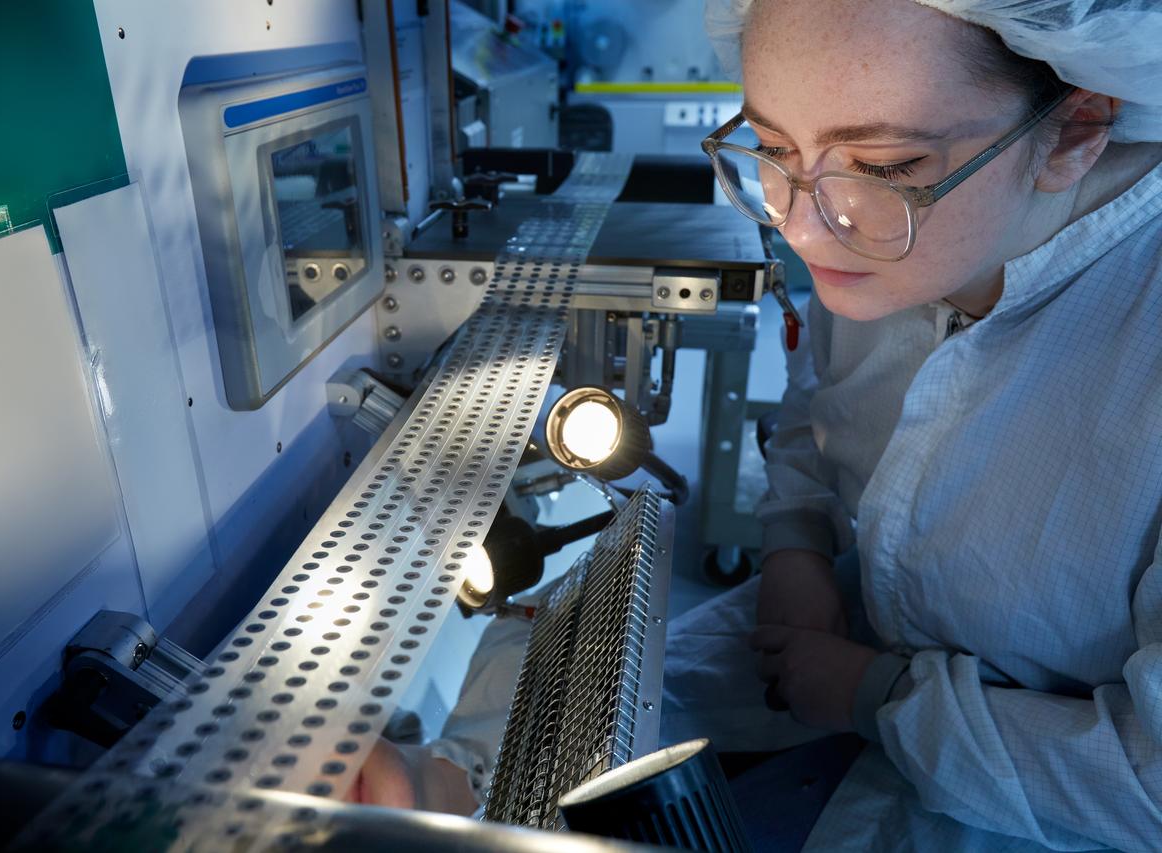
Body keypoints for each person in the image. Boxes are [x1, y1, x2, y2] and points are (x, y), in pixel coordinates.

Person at [353, 2, 1162, 850]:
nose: (797, 224)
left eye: (884, 166)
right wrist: (795, 547)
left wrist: (879, 696)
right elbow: (821, 402)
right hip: (848, 634)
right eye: (772, 149)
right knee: (553, 669)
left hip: (1049, 801)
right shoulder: (891, 246)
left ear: (1076, 128)